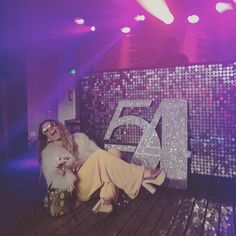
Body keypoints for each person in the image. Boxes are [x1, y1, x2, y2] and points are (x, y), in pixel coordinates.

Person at [38, 119, 166, 214]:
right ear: (47, 137)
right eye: (46, 130)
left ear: (57, 126)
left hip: (94, 180)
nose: (50, 130)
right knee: (101, 157)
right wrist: (63, 170)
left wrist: (86, 162)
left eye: (51, 126)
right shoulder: (50, 153)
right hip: (79, 188)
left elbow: (102, 160)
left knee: (114, 152)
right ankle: (143, 174)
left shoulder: (79, 138)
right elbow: (55, 180)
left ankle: (106, 200)